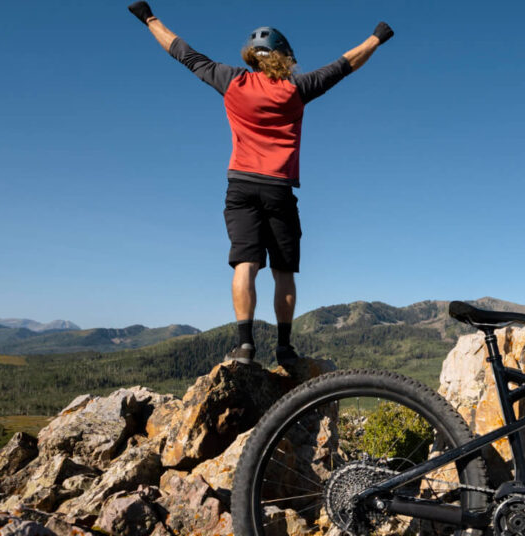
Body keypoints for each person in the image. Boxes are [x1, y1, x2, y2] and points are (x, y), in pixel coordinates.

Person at [127, 2, 393, 366]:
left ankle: (245, 346)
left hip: (240, 186)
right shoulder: (296, 88)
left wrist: (148, 18)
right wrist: (377, 37)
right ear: (284, 57)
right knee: (283, 270)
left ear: (252, 56)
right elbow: (345, 64)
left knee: (245, 264)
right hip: (279, 188)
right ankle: (284, 348)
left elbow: (181, 51)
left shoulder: (231, 80)